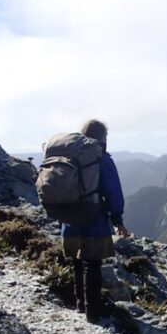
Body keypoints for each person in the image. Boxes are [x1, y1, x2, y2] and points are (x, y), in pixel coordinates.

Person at [61, 119, 130, 322]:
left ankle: (80, 305)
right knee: (92, 264)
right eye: (106, 137)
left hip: (68, 221)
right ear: (101, 137)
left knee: (77, 262)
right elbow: (113, 193)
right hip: (93, 220)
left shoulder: (69, 155)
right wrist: (118, 219)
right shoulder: (102, 159)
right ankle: (94, 311)